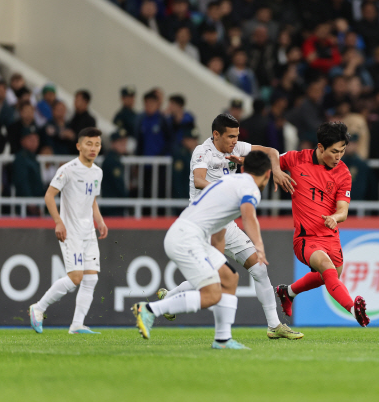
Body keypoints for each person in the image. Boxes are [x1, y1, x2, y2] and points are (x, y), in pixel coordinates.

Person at [156, 113, 302, 340]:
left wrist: (275, 169)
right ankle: (169, 302)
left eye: (237, 136)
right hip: (203, 225)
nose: (235, 141)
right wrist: (228, 186)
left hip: (225, 224)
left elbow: (272, 152)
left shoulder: (239, 148)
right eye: (230, 136)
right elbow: (198, 180)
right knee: (211, 278)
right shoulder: (202, 152)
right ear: (216, 135)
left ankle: (274, 326)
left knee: (259, 269)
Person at [132, 151, 273, 349]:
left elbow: (218, 232)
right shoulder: (250, 188)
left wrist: (217, 259)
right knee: (212, 294)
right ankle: (149, 309)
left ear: (243, 168)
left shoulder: (229, 183)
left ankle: (222, 340)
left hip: (189, 236)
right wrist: (258, 246)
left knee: (230, 278)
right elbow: (249, 216)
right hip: (187, 238)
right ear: (267, 174)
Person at [275, 122, 370, 327]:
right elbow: (269, 158)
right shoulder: (296, 159)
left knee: (330, 274)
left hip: (330, 236)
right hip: (305, 238)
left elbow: (343, 210)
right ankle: (353, 309)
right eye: (334, 151)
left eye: (342, 151)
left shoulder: (343, 172)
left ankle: (287, 292)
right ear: (320, 148)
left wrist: (334, 218)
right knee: (326, 267)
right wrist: (276, 171)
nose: (339, 156)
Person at [29, 127, 108, 335]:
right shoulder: (68, 169)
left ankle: (76, 325)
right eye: (89, 143)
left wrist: (99, 221)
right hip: (70, 231)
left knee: (91, 278)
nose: (93, 148)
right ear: (78, 145)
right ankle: (39, 307)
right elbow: (49, 196)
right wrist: (58, 222)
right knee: (75, 278)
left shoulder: (97, 172)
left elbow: (92, 201)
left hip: (88, 232)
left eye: (97, 144)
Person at [13, 126, 44, 216]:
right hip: (26, 205)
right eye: (30, 139)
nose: (34, 141)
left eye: (36, 138)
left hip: (36, 202)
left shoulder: (34, 158)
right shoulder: (21, 158)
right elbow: (21, 181)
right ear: (23, 141)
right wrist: (30, 202)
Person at [100, 129, 129, 216]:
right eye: (120, 142)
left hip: (113, 205)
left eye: (124, 142)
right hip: (113, 207)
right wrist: (127, 198)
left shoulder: (113, 159)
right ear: (113, 144)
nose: (124, 145)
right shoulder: (113, 161)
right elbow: (118, 184)